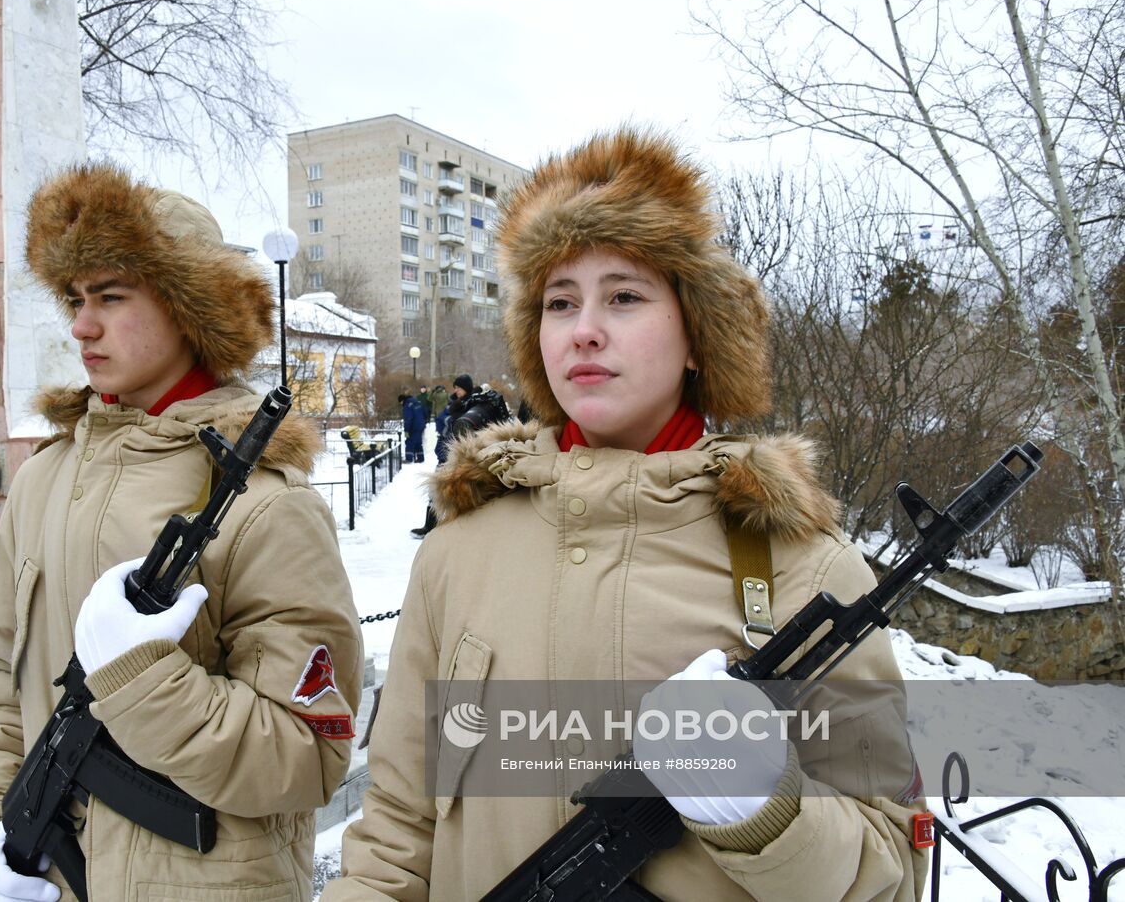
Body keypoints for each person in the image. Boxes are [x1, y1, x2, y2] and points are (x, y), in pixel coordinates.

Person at [324, 129, 926, 900]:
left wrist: (764, 808)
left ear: (696, 338)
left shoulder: (804, 564)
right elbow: (397, 836)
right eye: (560, 302)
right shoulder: (459, 551)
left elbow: (891, 871)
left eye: (625, 296)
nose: (584, 329)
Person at [0, 164, 363, 902]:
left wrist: (139, 676)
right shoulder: (45, 477)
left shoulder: (266, 503)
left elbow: (309, 754)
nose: (82, 324)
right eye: (77, 298)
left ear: (187, 308)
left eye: (111, 296)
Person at [409, 374, 477, 538]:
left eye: (458, 387)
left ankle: (452, 527)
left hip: (459, 455)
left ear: (466, 388)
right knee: (435, 489)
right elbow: (441, 421)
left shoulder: (470, 406)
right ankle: (430, 526)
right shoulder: (454, 403)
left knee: (457, 492)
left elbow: (453, 425)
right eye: (455, 387)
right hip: (445, 452)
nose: (456, 390)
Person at [398, 391, 427, 463]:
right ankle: (421, 458)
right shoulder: (417, 402)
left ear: (402, 401)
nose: (401, 404)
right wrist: (424, 422)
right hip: (421, 425)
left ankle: (409, 459)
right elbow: (425, 412)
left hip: (414, 426)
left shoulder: (407, 405)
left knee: (409, 442)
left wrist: (406, 430)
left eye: (401, 403)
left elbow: (408, 419)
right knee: (418, 442)